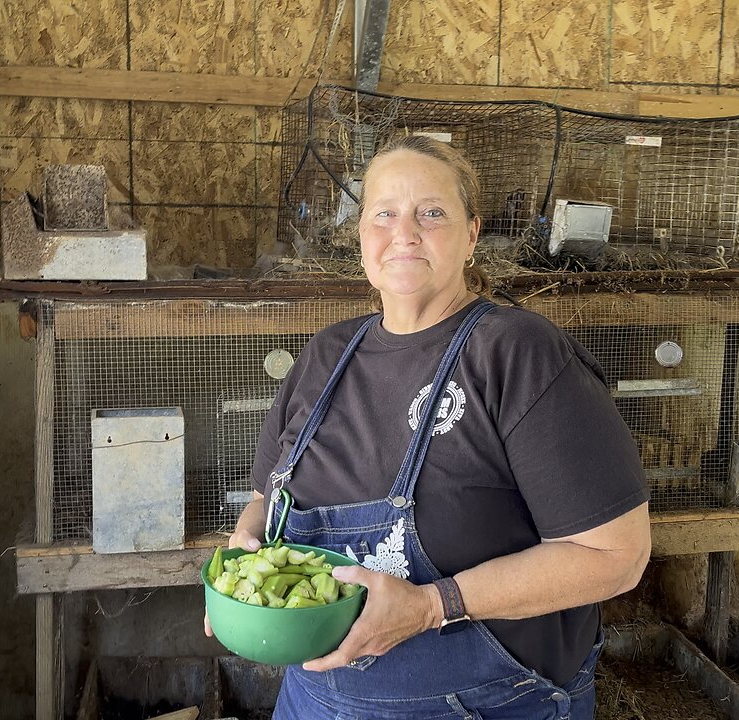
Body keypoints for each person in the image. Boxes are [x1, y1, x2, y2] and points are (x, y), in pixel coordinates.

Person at [205, 134, 650, 720]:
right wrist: (242, 567)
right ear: (362, 235)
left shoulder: (516, 352)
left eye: (431, 213)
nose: (405, 232)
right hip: (314, 700)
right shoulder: (327, 355)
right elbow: (267, 498)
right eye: (384, 213)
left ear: (471, 234)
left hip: (485, 704)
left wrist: (430, 605)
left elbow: (616, 555)